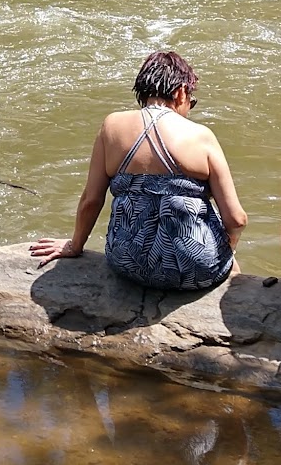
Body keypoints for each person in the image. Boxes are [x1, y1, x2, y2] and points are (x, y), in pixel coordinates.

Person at [29, 49, 247, 290]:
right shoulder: (201, 135)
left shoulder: (111, 126)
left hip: (125, 263)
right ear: (180, 92)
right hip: (195, 270)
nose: (189, 108)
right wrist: (229, 245)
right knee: (230, 263)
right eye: (191, 102)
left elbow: (91, 200)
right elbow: (236, 219)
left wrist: (74, 246)